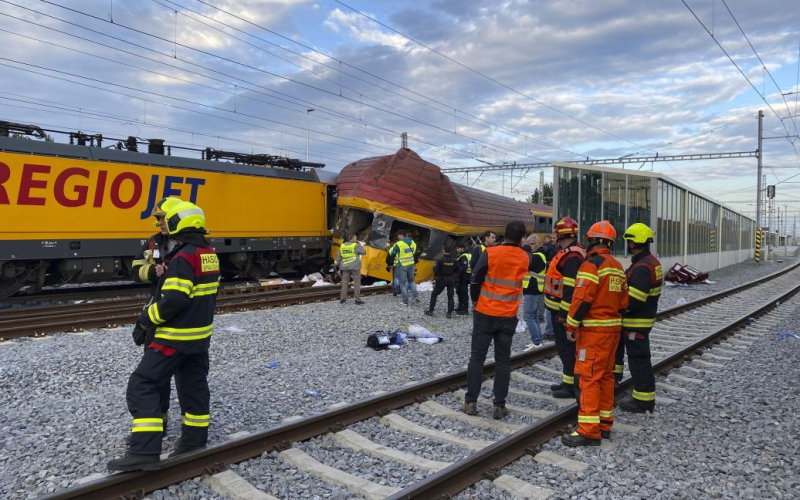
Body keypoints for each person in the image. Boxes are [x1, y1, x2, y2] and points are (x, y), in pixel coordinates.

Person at [108, 201, 221, 471]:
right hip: (198, 337)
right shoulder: (208, 252)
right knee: (193, 385)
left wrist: (145, 320)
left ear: (176, 222)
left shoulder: (183, 257)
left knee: (142, 383)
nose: (161, 223)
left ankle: (145, 451)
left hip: (173, 336)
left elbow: (173, 301)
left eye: (164, 219)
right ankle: (194, 442)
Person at [561, 221, 628, 447]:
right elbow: (623, 301)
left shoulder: (591, 265)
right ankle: (604, 423)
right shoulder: (617, 266)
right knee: (606, 377)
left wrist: (571, 326)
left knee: (588, 377)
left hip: (593, 331)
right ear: (609, 242)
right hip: (612, 331)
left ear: (591, 240)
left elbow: (581, 299)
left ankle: (589, 431)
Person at [463, 221, 530, 420]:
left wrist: (475, 300)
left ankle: (470, 402)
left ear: (503, 235)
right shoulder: (524, 257)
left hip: (485, 312)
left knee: (477, 358)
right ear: (520, 238)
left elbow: (476, 279)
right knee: (503, 360)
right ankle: (499, 406)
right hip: (508, 315)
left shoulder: (491, 253)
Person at [129, 196, 183, 436]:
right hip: (157, 309)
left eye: (162, 217)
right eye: (158, 218)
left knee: (186, 378)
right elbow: (134, 270)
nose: (159, 222)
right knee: (155, 377)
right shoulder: (152, 243)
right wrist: (153, 271)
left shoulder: (188, 244)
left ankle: (190, 429)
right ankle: (159, 423)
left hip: (179, 315)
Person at [616, 223, 662, 414]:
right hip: (643, 320)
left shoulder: (642, 267)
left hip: (636, 322)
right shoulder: (651, 262)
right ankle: (643, 397)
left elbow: (634, 299)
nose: (627, 244)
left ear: (634, 242)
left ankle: (642, 400)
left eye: (628, 240)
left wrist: (616, 308)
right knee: (640, 359)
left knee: (638, 360)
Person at [544, 218, 586, 399]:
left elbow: (570, 290)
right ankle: (567, 383)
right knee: (564, 349)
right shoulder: (570, 253)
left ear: (560, 234)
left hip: (563, 313)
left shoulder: (572, 257)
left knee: (567, 350)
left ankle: (571, 387)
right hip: (558, 310)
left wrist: (564, 315)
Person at [522, 234, 547, 350]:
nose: (530, 246)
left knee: (528, 316)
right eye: (529, 244)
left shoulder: (537, 256)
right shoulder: (538, 255)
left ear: (538, 244)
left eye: (532, 244)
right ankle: (539, 340)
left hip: (533, 288)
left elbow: (525, 266)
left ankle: (536, 341)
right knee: (534, 316)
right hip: (534, 289)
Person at [388, 230, 420, 306]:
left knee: (402, 283)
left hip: (403, 264)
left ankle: (405, 301)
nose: (397, 237)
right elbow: (414, 252)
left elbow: (392, 254)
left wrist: (391, 263)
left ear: (401, 235)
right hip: (411, 264)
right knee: (411, 281)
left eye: (398, 235)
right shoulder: (413, 242)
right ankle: (415, 296)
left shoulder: (399, 244)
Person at [424, 246, 457, 318]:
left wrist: (434, 268)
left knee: (434, 294)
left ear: (443, 251)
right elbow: (458, 270)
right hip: (451, 279)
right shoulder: (454, 260)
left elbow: (435, 270)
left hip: (442, 279)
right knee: (450, 296)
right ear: (450, 252)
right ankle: (449, 314)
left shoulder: (440, 260)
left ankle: (430, 311)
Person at [336, 233, 366, 305]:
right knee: (357, 283)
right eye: (355, 238)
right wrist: (359, 244)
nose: (356, 239)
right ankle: (357, 300)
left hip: (345, 267)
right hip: (355, 267)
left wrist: (341, 266)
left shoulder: (342, 246)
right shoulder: (355, 245)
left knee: (344, 283)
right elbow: (364, 252)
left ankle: (343, 300)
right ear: (352, 239)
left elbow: (339, 258)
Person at [540, 234, 558, 339]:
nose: (552, 240)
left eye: (554, 238)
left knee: (549, 308)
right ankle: (551, 331)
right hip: (552, 282)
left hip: (553, 282)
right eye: (551, 238)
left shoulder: (549, 247)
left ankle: (550, 331)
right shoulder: (558, 249)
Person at [454, 242, 471, 315]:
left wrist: (457, 275)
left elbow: (464, 267)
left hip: (464, 277)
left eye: (458, 248)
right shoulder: (468, 255)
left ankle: (465, 309)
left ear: (462, 249)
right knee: (459, 291)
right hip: (467, 276)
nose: (457, 249)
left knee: (463, 292)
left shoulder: (464, 256)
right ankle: (460, 307)